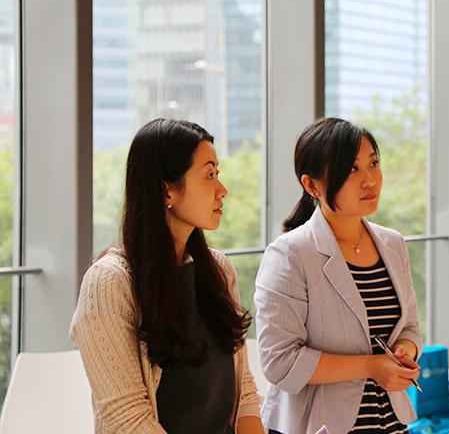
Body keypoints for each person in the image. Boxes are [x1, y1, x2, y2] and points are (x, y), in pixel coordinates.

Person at [70, 119, 264, 434]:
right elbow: (127, 418)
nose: (222, 190)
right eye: (210, 175)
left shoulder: (218, 269)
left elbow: (244, 389)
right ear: (166, 190)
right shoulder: (109, 282)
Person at [254, 118, 422, 434]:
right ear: (312, 185)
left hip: (391, 423)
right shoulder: (290, 254)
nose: (369, 180)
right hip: (321, 424)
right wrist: (373, 367)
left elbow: (410, 327)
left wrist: (404, 352)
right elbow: (280, 362)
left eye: (373, 164)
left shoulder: (393, 244)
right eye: (350, 170)